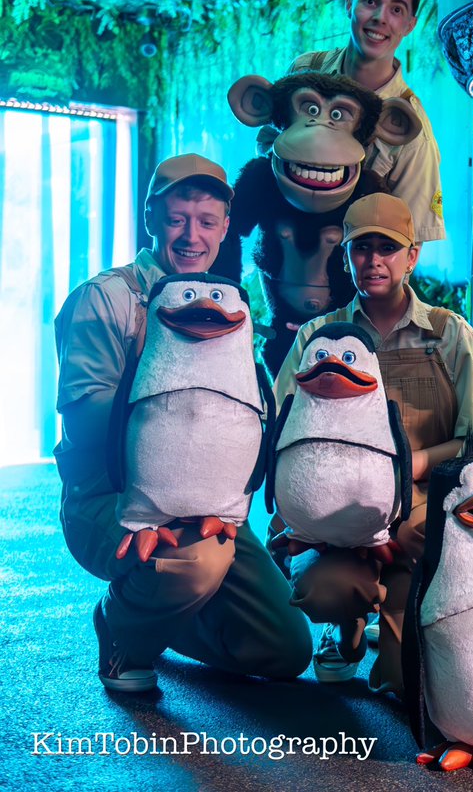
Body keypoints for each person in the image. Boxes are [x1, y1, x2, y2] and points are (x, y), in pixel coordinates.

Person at [54, 153, 312, 692]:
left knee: (285, 647)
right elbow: (84, 426)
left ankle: (164, 609)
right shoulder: (106, 299)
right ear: (151, 220)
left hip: (210, 508)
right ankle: (122, 629)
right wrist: (162, 480)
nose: (191, 236)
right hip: (116, 501)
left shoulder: (227, 308)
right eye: (176, 219)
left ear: (224, 228)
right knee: (197, 561)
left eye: (207, 221)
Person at [273, 192, 473, 689]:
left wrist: (404, 469)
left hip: (419, 513)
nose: (373, 260)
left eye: (387, 248)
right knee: (325, 589)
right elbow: (280, 435)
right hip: (336, 514)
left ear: (412, 256)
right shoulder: (317, 337)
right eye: (361, 248)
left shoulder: (448, 335)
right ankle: (344, 625)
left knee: (401, 682)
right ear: (345, 258)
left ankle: (407, 617)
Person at [288, 0, 444, 245]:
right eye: (370, 1)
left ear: (410, 25)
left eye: (396, 10)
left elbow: (407, 246)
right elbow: (270, 147)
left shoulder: (413, 134)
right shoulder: (305, 70)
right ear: (350, 3)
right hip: (283, 259)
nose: (379, 18)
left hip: (352, 278)